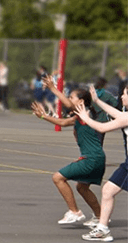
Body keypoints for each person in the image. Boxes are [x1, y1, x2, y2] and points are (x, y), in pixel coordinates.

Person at [31, 88, 105, 226]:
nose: (69, 100)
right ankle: (100, 217)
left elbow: (70, 106)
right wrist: (43, 116)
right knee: (82, 188)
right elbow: (63, 122)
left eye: (71, 97)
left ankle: (75, 212)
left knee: (57, 177)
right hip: (95, 157)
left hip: (92, 159)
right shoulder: (81, 116)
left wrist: (53, 88)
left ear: (81, 101)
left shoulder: (84, 112)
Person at [75, 84, 128, 242]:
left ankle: (102, 229)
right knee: (107, 191)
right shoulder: (125, 115)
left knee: (108, 191)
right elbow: (117, 114)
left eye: (124, 94)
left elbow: (102, 127)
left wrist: (86, 118)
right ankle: (102, 229)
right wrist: (97, 100)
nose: (121, 97)